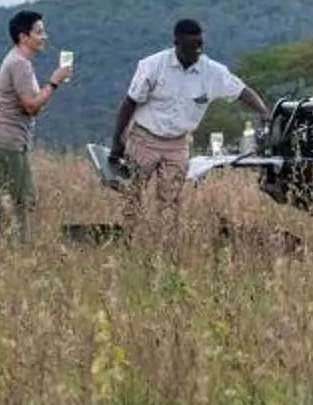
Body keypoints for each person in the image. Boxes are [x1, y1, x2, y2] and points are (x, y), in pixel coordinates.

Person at [111, 17, 268, 243]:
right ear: (176, 43)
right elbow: (129, 103)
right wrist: (118, 142)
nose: (196, 52)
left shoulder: (213, 72)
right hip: (144, 137)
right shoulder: (152, 66)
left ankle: (165, 249)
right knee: (132, 194)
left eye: (200, 46)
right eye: (191, 47)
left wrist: (263, 112)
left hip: (178, 143)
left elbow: (242, 91)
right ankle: (126, 241)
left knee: (169, 200)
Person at [0, 9, 71, 244]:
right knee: (16, 200)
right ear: (24, 36)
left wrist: (42, 95)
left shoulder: (20, 62)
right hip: (6, 138)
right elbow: (31, 105)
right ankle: (7, 249)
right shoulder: (19, 64)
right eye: (39, 32)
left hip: (10, 138)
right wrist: (54, 82)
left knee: (15, 199)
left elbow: (32, 105)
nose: (44, 37)